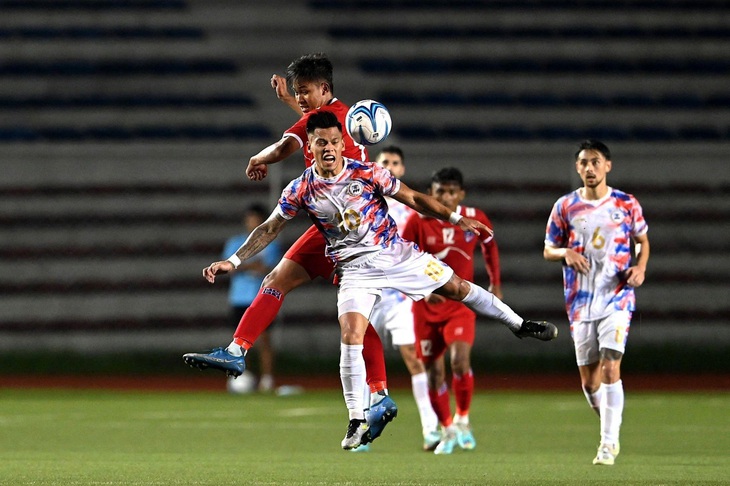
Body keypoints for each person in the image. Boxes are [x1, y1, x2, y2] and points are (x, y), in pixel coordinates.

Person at [200, 112, 558, 450]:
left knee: (459, 289)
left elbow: (414, 198)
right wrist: (232, 261)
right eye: (320, 142)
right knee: (351, 336)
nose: (327, 148)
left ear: (344, 144)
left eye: (333, 141)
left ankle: (519, 323)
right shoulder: (300, 189)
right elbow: (269, 228)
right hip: (355, 271)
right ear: (309, 148)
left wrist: (454, 218)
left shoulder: (368, 173)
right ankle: (356, 419)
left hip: (398, 256)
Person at [184, 53, 395, 447]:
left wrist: (258, 156)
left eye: (305, 92)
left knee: (333, 306)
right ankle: (379, 394)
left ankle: (237, 350)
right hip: (347, 226)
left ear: (325, 90)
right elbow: (311, 123)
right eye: (296, 93)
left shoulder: (320, 124)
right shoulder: (343, 120)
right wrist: (290, 101)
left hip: (343, 232)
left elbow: (285, 146)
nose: (299, 99)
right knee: (335, 307)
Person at [543, 140, 650, 466]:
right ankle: (610, 425)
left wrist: (640, 268)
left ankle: (608, 443)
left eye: (595, 162)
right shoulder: (565, 206)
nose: (589, 168)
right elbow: (548, 249)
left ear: (607, 166)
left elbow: (642, 241)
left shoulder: (626, 203)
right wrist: (566, 253)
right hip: (579, 302)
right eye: (584, 163)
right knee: (589, 382)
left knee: (610, 366)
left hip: (616, 297)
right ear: (577, 168)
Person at [401, 166, 502, 455]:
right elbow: (402, 260)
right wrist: (424, 290)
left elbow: (490, 245)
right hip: (426, 308)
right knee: (434, 373)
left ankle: (463, 420)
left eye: (451, 191)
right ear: (430, 194)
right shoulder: (417, 222)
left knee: (460, 360)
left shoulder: (474, 218)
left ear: (461, 194)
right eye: (440, 192)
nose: (446, 196)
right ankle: (446, 428)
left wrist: (495, 282)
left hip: (460, 304)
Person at [353, 146, 440, 453]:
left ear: (401, 170)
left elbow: (417, 249)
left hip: (399, 297)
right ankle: (362, 432)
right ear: (376, 168)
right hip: (367, 296)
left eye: (395, 163)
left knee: (413, 360)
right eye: (384, 162)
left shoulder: (409, 210)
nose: (390, 165)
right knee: (363, 363)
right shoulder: (361, 201)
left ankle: (431, 429)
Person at [223, 203, 282, 392]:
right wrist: (251, 266)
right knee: (239, 341)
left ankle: (267, 379)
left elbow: (272, 270)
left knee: (264, 340)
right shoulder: (234, 243)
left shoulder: (271, 244)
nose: (252, 223)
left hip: (261, 299)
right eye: (250, 219)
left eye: (256, 220)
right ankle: (242, 378)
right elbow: (229, 268)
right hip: (239, 298)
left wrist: (245, 266)